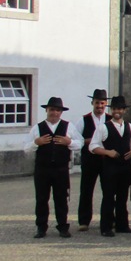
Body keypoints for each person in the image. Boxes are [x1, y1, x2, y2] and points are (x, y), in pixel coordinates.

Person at [25, 97, 83, 238]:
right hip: (42, 169)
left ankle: (63, 227)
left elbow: (80, 142)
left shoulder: (68, 126)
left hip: (61, 169)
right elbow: (26, 148)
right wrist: (36, 143)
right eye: (52, 110)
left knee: (61, 199)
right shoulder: (37, 128)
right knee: (41, 199)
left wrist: (69, 142)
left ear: (61, 112)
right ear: (47, 110)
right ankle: (41, 227)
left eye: (57, 110)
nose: (54, 113)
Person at [89, 96, 131, 237]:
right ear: (111, 110)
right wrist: (107, 152)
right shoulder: (103, 127)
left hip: (125, 167)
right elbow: (92, 146)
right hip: (109, 167)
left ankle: (122, 225)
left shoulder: (130, 127)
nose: (117, 111)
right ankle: (105, 227)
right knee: (108, 197)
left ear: (124, 110)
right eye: (114, 109)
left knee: (123, 197)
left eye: (120, 109)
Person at [74, 88, 108, 232]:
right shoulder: (83, 120)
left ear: (105, 104)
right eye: (96, 103)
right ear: (92, 103)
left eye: (102, 103)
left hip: (106, 161)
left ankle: (108, 219)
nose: (99, 106)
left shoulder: (111, 119)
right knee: (86, 190)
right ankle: (84, 220)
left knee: (108, 191)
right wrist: (92, 141)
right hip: (89, 160)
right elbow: (76, 140)